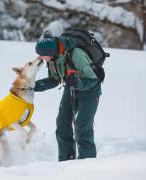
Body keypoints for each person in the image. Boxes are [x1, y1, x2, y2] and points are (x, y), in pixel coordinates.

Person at [34, 30, 101, 161]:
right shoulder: (53, 58)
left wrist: (77, 82)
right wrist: (32, 86)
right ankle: (65, 161)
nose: (41, 58)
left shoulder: (77, 55)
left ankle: (88, 162)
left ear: (52, 52)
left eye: (43, 55)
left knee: (82, 127)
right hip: (70, 88)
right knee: (62, 125)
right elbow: (54, 79)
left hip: (90, 91)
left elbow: (94, 80)